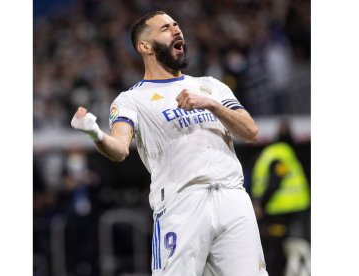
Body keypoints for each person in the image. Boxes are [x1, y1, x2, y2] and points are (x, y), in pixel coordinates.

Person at [71, 11, 268, 276]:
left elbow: (250, 131)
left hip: (233, 198)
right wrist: (94, 132)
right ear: (145, 46)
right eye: (165, 28)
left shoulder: (211, 87)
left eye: (176, 25)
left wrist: (210, 104)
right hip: (183, 204)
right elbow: (118, 150)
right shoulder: (131, 100)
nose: (177, 30)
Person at [251, 120, 310, 276]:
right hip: (293, 208)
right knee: (284, 248)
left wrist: (261, 205)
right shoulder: (286, 152)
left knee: (275, 249)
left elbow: (275, 181)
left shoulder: (275, 153)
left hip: (281, 210)